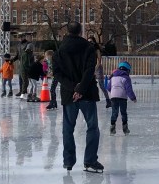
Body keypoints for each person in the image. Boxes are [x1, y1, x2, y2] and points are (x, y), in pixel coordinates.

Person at [52, 22, 103, 173]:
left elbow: (57, 74)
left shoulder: (59, 50)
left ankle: (68, 161)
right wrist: (80, 88)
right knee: (92, 127)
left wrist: (73, 88)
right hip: (87, 93)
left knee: (68, 128)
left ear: (67, 32)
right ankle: (90, 160)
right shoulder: (88, 48)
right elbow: (89, 70)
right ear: (81, 32)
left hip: (69, 95)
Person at [109, 60, 137, 134]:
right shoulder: (126, 78)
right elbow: (129, 89)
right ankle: (125, 128)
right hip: (122, 97)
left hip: (113, 97)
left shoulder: (112, 77)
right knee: (123, 112)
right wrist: (133, 98)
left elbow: (108, 87)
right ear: (128, 70)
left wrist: (114, 92)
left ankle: (112, 127)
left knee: (114, 112)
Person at [89, 36, 112, 108]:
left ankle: (108, 100)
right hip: (90, 68)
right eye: (88, 42)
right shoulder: (88, 49)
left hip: (97, 68)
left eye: (91, 42)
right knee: (90, 84)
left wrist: (95, 70)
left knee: (101, 85)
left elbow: (99, 61)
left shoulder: (97, 50)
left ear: (94, 42)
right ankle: (92, 98)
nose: (90, 43)